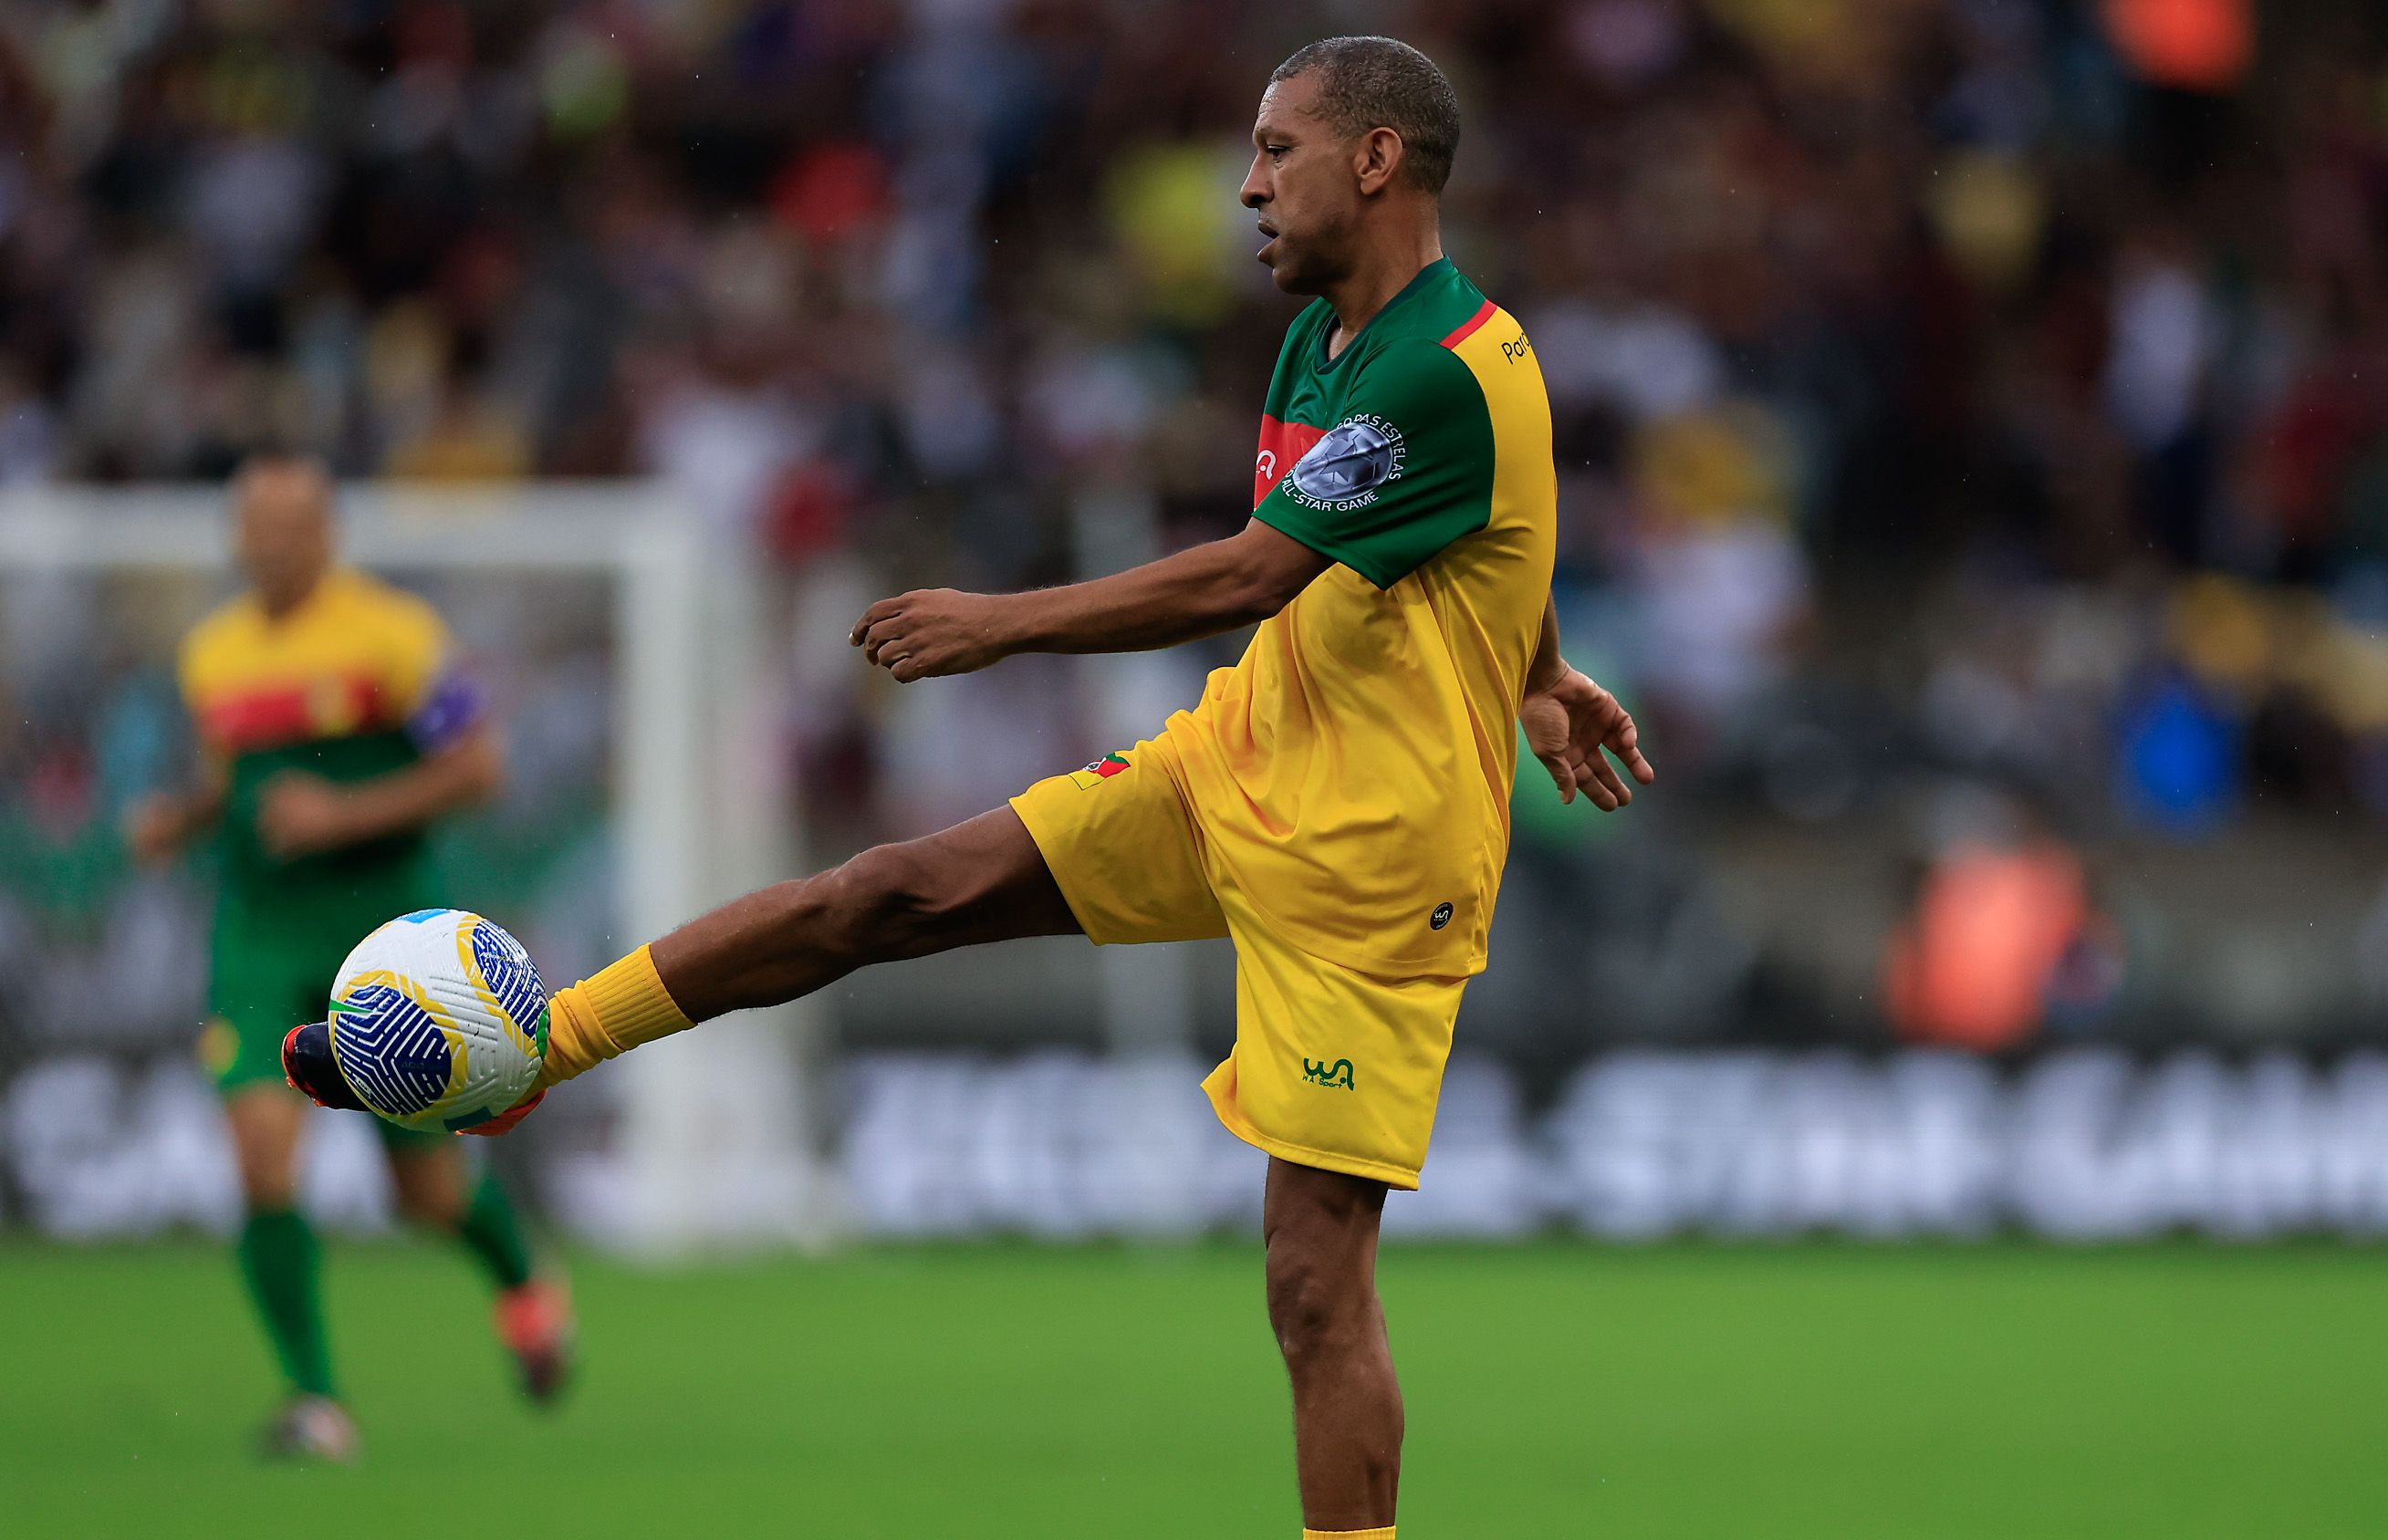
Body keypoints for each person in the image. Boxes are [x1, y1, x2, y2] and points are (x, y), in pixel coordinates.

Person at [287, 36, 1645, 1537]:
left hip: (1374, 870)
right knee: (882, 890)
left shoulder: (1454, 365)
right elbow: (1488, 524)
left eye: (1278, 152)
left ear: (1377, 161)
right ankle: (538, 1057)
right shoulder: (1324, 335)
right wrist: (1537, 666)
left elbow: (1260, 568)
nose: (1247, 186)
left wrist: (1003, 620)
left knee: (1312, 1289)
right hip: (1241, 760)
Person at [130, 456, 573, 1462]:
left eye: (291, 525)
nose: (270, 543)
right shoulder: (214, 653)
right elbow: (231, 784)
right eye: (255, 526)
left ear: (327, 533)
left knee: (424, 1195)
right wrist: (180, 819)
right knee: (259, 1153)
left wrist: (343, 814)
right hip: (259, 929)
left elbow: (480, 768)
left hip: (382, 945)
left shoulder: (396, 638)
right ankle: (316, 1399)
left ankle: (520, 1274)